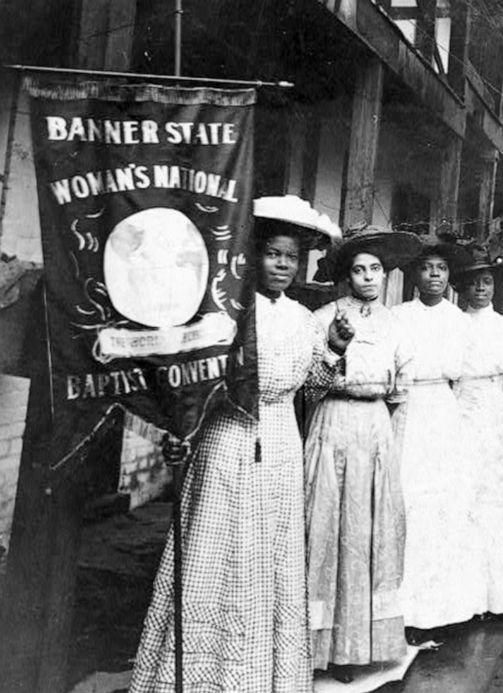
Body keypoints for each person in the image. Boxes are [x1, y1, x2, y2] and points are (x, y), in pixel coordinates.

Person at [130, 195, 346, 692]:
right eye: (273, 254)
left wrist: (335, 346)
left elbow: (313, 386)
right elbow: (193, 377)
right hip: (228, 437)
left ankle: (262, 677)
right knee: (217, 545)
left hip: (281, 443)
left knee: (270, 554)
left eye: (291, 258)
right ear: (255, 255)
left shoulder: (302, 318)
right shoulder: (227, 311)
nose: (282, 265)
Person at [304, 224, 422, 681]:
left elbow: (403, 391)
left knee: (367, 530)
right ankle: (323, 645)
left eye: (375, 269)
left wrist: (390, 448)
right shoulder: (324, 318)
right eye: (359, 270)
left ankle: (362, 646)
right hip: (333, 421)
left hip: (375, 428)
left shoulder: (396, 325)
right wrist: (337, 348)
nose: (368, 278)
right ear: (346, 276)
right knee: (328, 527)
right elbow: (312, 382)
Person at [391, 236, 486, 636]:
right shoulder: (396, 317)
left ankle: (444, 609)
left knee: (445, 506)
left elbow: (469, 382)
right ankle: (403, 609)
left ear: (449, 277)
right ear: (414, 273)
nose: (434, 275)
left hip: (444, 416)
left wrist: (461, 429)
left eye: (441, 269)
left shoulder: (461, 321)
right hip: (407, 413)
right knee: (408, 502)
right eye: (427, 267)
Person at [452, 244, 503, 616]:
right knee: (463, 501)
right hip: (461, 413)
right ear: (463, 289)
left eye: (486, 282)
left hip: (494, 415)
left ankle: (495, 595)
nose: (480, 289)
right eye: (474, 284)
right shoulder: (454, 323)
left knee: (494, 502)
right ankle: (465, 597)